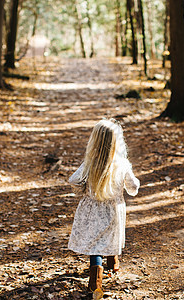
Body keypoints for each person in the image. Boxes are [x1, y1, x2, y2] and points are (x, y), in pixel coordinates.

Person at [68, 119, 140, 299]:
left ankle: (95, 281)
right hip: (114, 209)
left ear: (95, 140)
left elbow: (74, 181)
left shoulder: (89, 163)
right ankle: (113, 262)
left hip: (92, 210)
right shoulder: (122, 165)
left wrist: (85, 190)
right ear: (117, 141)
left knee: (95, 244)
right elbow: (133, 188)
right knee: (111, 236)